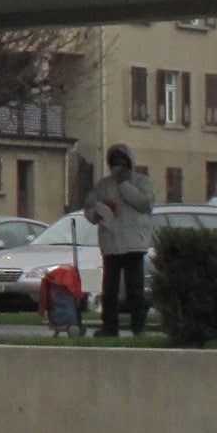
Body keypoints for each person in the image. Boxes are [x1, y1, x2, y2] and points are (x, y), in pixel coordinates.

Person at [84, 142, 155, 337]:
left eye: (122, 162)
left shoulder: (142, 182)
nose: (119, 166)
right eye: (115, 162)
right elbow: (89, 209)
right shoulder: (103, 185)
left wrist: (124, 184)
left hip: (134, 244)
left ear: (129, 162)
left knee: (135, 290)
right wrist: (96, 214)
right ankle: (109, 327)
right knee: (110, 290)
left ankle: (138, 326)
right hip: (111, 244)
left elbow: (144, 204)